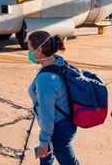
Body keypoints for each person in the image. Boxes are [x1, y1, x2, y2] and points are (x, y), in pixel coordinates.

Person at [27, 31, 80, 165]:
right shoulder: (57, 62)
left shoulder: (45, 79)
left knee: (69, 163)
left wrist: (44, 142)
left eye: (30, 49)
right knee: (45, 159)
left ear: (39, 50)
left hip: (58, 128)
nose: (29, 53)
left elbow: (47, 114)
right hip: (64, 121)